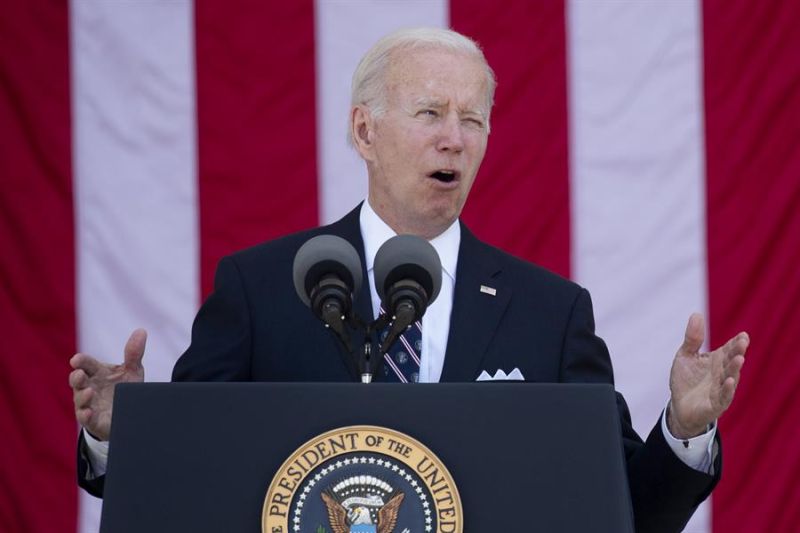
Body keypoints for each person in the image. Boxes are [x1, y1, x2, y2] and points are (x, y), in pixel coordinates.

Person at [69, 28, 749, 532]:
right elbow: (191, 474)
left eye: (473, 119)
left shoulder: (550, 311)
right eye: (430, 113)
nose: (454, 137)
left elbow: (624, 507)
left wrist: (684, 427)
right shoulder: (261, 287)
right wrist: (123, 435)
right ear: (365, 131)